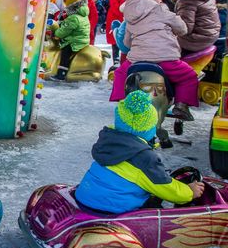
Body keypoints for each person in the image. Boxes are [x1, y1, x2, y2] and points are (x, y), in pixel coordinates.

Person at [75, 90, 204, 214]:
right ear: (148, 129)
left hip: (85, 200)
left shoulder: (107, 142)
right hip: (111, 210)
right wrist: (189, 192)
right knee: (153, 206)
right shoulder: (143, 158)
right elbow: (165, 187)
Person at [109, 0, 198, 121]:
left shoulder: (130, 15)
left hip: (136, 60)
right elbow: (182, 28)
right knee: (188, 76)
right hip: (166, 59)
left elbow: (126, 41)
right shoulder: (161, 10)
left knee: (120, 73)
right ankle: (181, 105)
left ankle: (121, 100)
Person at [50, 0, 91, 81]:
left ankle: (61, 73)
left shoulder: (73, 17)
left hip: (76, 40)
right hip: (80, 37)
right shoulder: (80, 12)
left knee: (65, 51)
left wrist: (57, 34)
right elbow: (65, 24)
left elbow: (65, 30)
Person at [105, 0, 131, 65]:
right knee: (114, 43)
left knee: (124, 43)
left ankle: (124, 62)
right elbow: (114, 8)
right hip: (113, 21)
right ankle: (115, 61)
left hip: (124, 21)